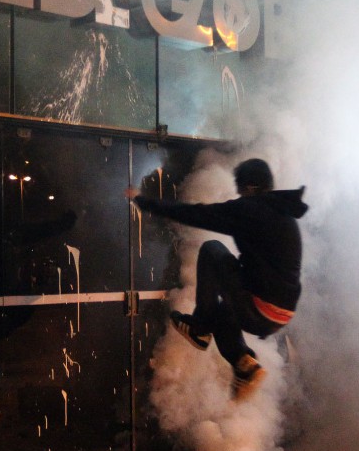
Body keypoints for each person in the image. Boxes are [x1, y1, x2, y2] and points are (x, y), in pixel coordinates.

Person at [130, 158, 308, 401]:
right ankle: (243, 365)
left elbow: (196, 214)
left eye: (240, 188)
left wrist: (144, 201)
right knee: (223, 313)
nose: (239, 194)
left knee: (212, 250)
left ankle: (200, 328)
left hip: (259, 305)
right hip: (281, 314)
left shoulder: (251, 209)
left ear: (250, 187)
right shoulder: (285, 216)